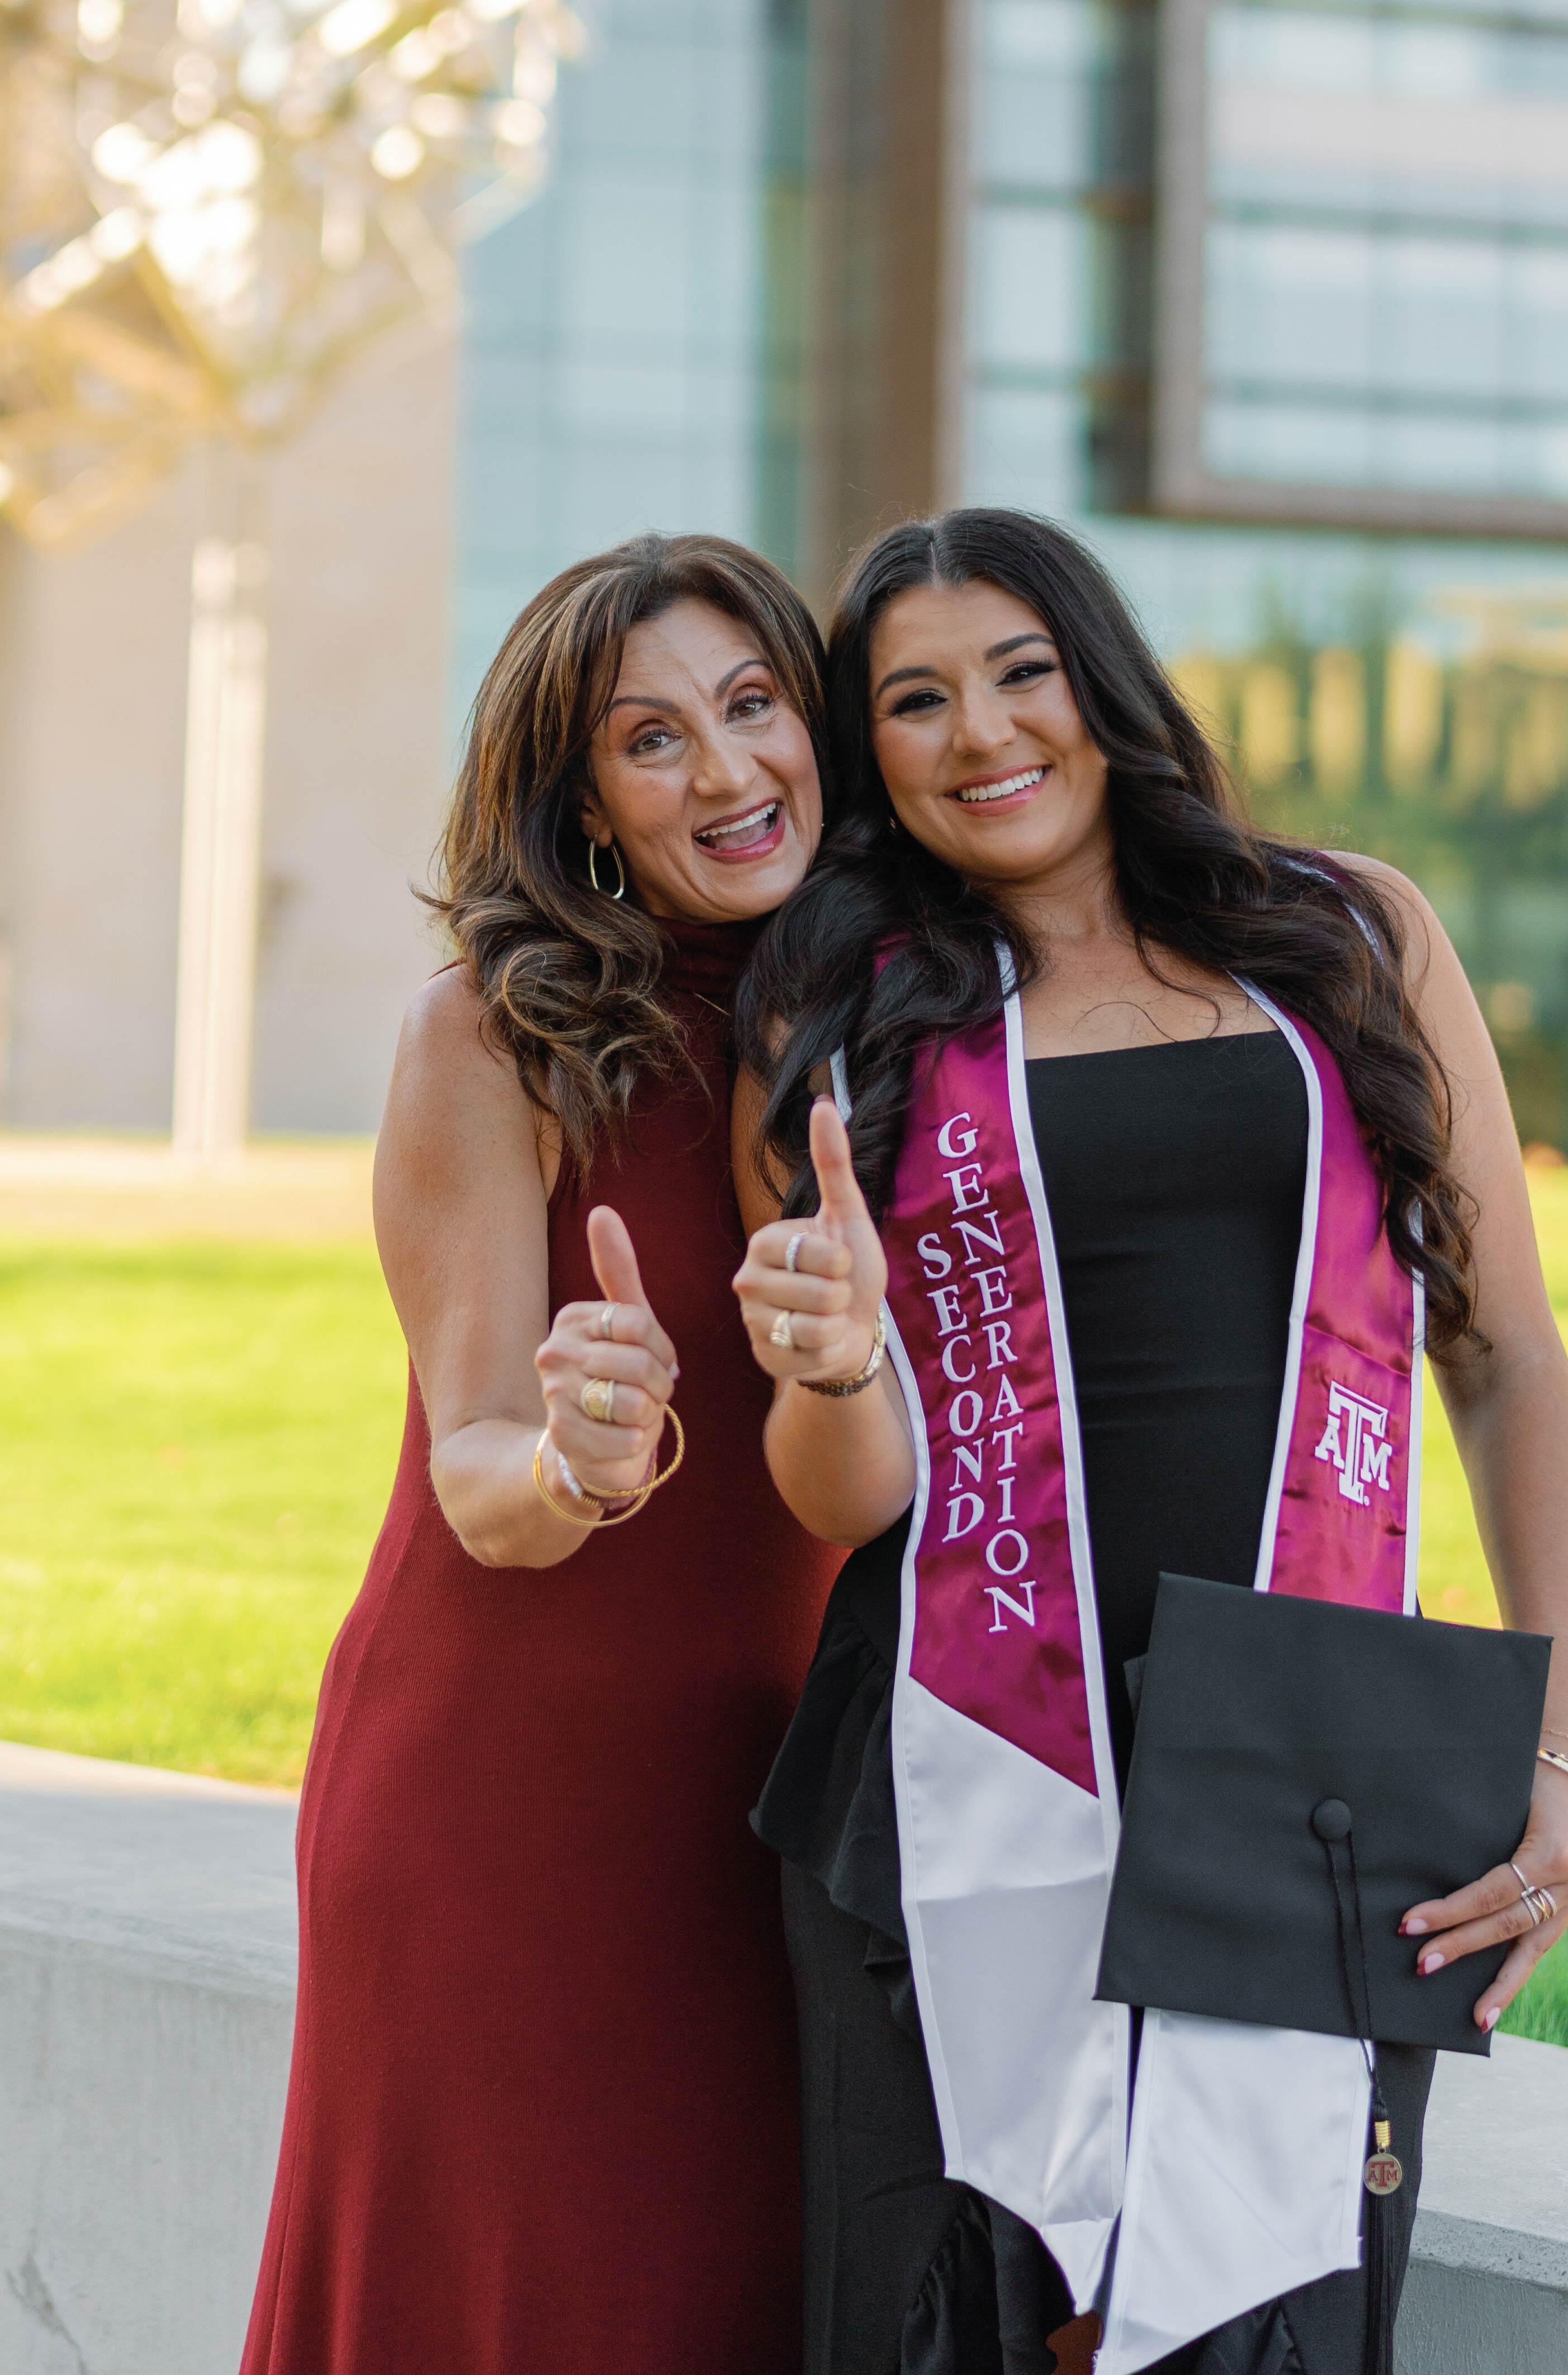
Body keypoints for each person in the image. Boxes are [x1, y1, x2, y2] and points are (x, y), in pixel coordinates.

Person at [729, 509, 1568, 2375]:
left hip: (1308, 1772)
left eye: (1021, 671)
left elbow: (1505, 1353)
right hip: (956, 1765)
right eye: (915, 700)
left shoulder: (1349, 936)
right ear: (870, 751)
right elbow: (844, 1493)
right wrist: (828, 1365)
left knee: (1272, 2320)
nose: (982, 731)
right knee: (939, 2326)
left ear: (1104, 681)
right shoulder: (844, 1018)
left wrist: (1563, 1760)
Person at [239, 534, 841, 2375]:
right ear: (580, 801)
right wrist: (579, 1455)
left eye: (752, 705)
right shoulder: (490, 1036)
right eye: (652, 740)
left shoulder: (897, 1018)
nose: (727, 771)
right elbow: (478, 1463)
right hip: (512, 1811)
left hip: (793, 1804)